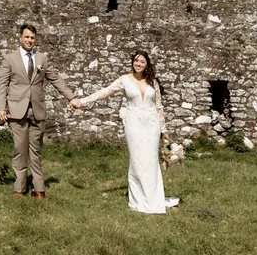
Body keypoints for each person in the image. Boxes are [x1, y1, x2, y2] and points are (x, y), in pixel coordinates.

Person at [72, 50, 178, 214]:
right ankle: (137, 199)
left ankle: (153, 198)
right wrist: (83, 101)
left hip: (152, 124)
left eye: (142, 61)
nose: (139, 64)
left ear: (147, 64)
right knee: (137, 161)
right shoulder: (125, 80)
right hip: (133, 123)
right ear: (132, 62)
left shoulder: (153, 82)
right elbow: (105, 92)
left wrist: (163, 130)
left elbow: (159, 107)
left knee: (150, 161)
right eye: (136, 61)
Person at [0, 22, 75, 198]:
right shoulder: (10, 59)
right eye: (27, 37)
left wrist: (71, 97)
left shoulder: (42, 59)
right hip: (16, 110)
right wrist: (1, 108)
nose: (30, 40)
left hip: (37, 111)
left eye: (32, 37)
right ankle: (19, 188)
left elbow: (56, 80)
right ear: (20, 37)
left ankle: (38, 189)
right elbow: (2, 85)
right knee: (20, 150)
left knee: (36, 151)